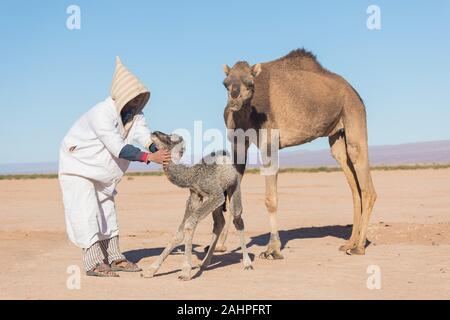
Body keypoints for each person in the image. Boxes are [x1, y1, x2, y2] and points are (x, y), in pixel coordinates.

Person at [58, 57, 170, 277]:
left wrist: (157, 149)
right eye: (133, 97)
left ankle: (115, 257)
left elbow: (143, 135)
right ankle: (93, 263)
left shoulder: (135, 116)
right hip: (78, 167)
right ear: (122, 95)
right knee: (86, 211)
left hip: (103, 173)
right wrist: (150, 157)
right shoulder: (102, 113)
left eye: (140, 98)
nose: (137, 102)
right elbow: (118, 148)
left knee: (107, 212)